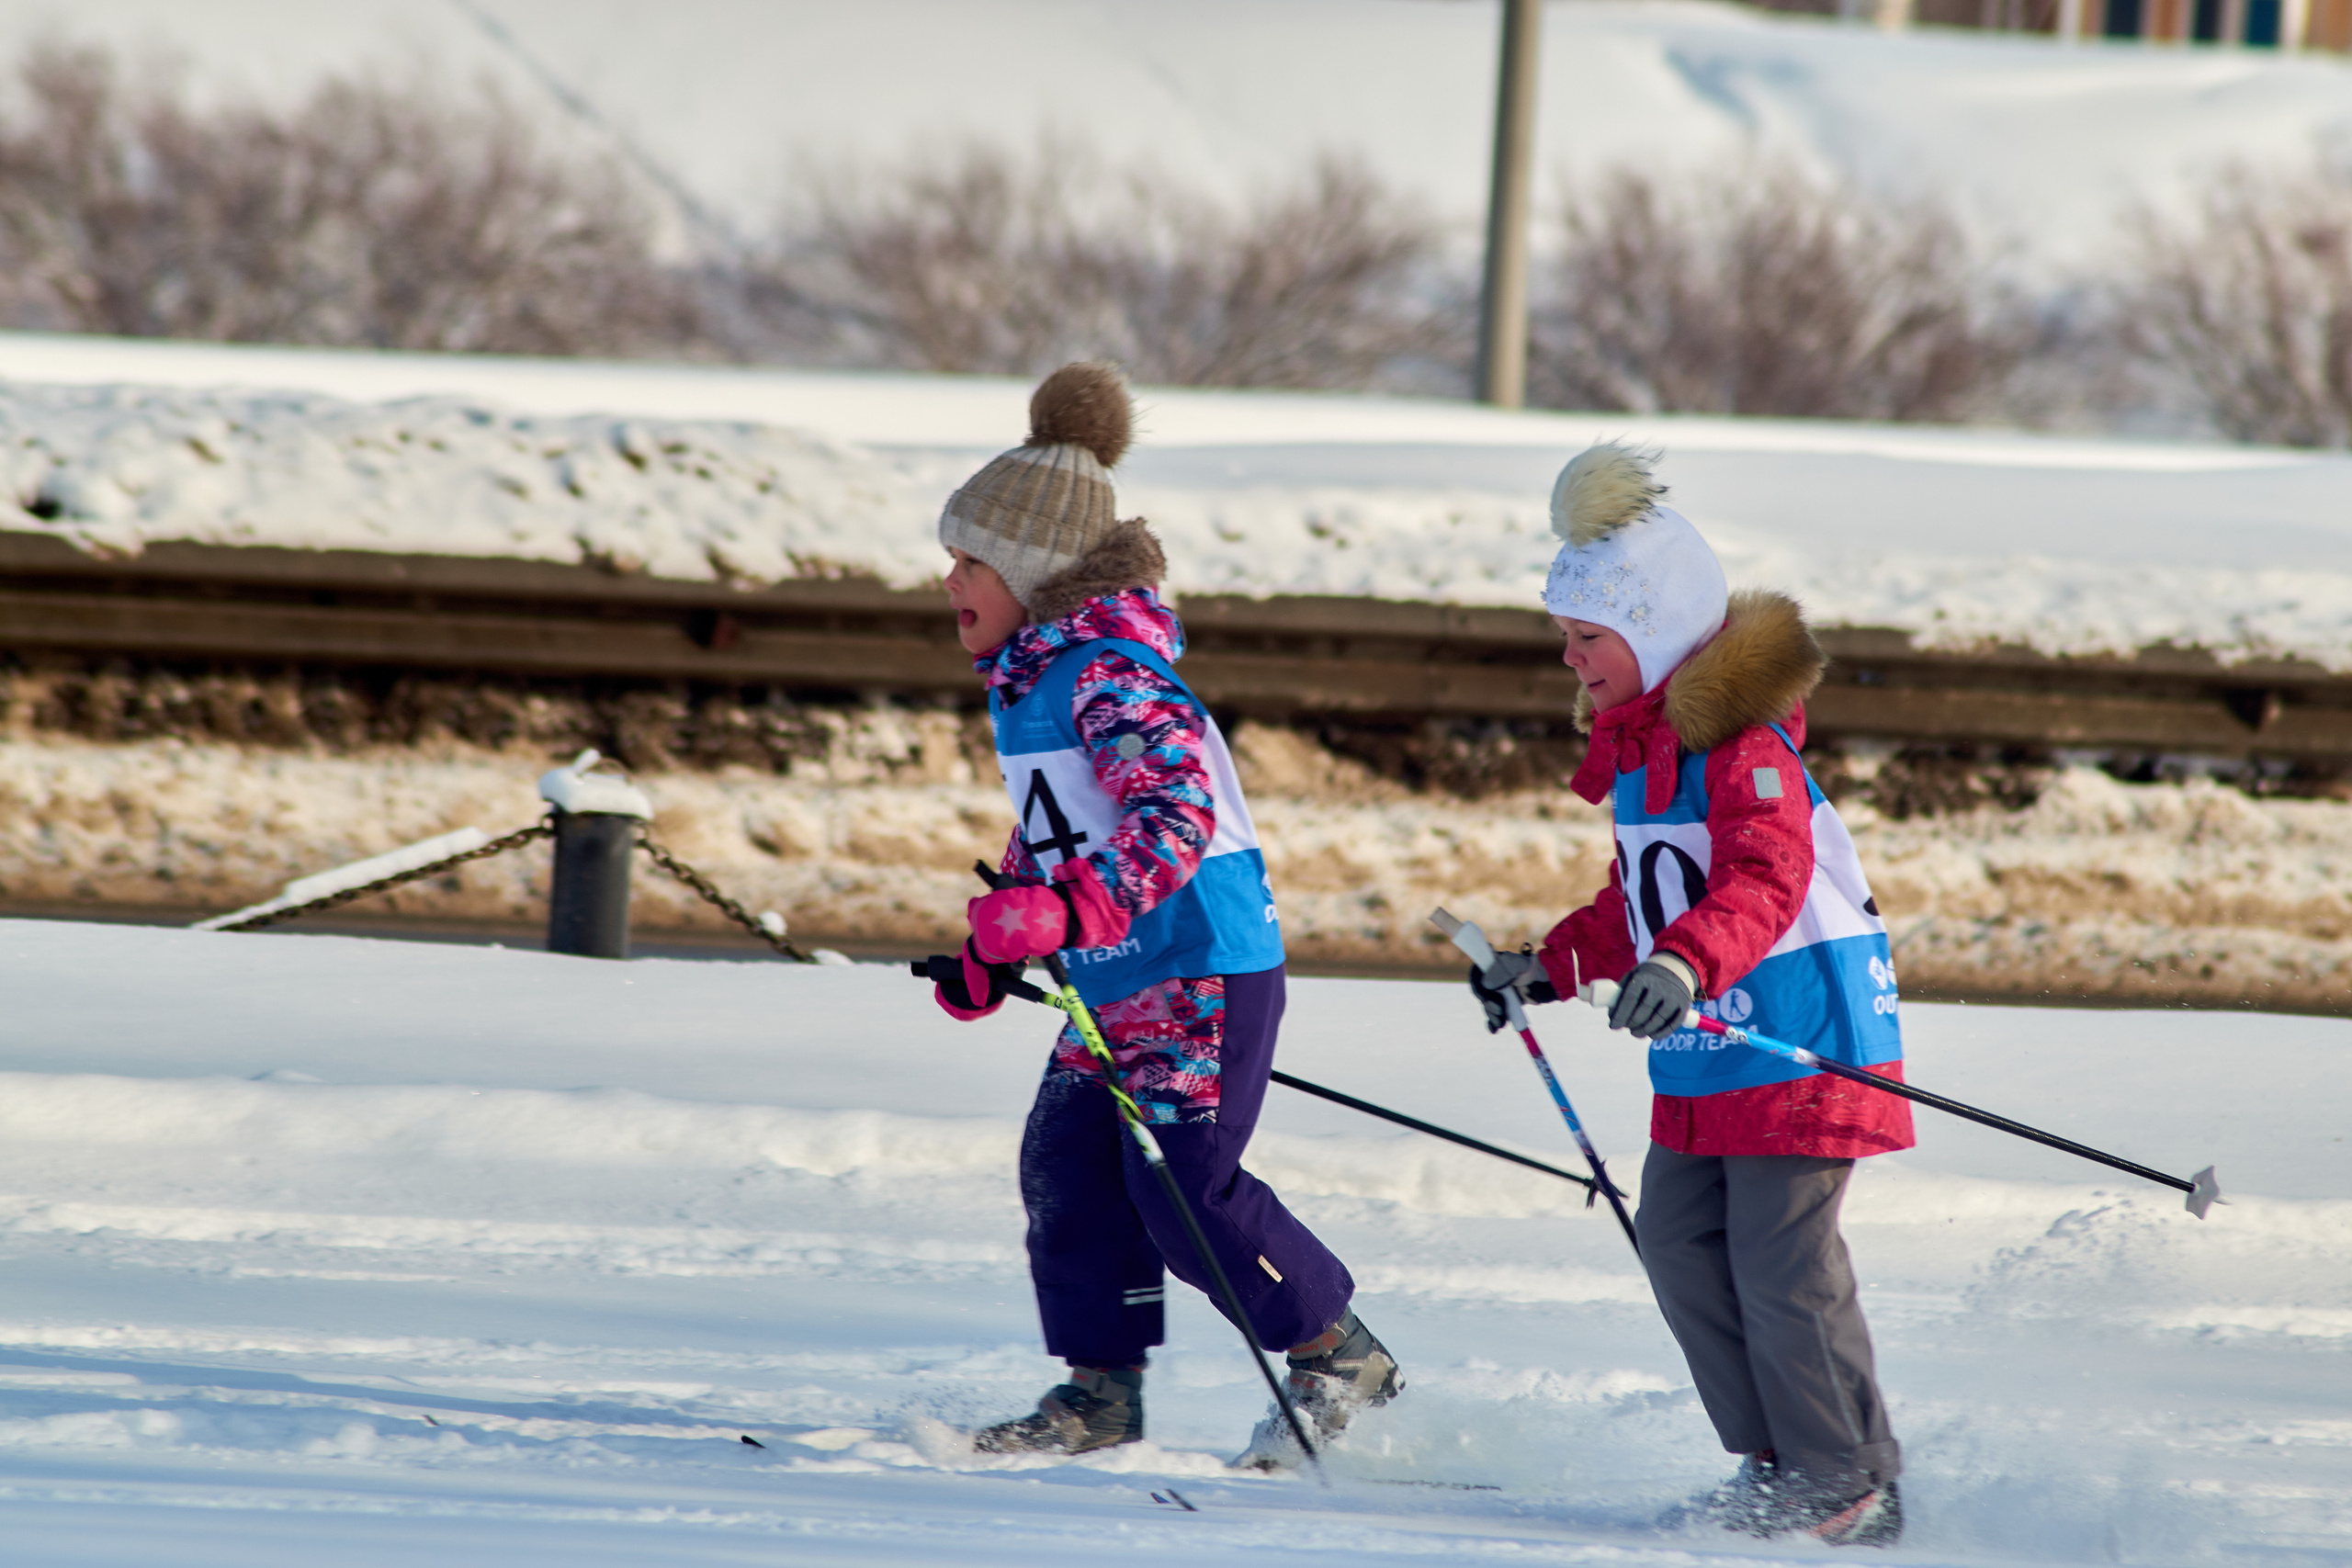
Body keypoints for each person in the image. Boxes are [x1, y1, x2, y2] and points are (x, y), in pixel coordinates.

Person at [925, 361, 1400, 1468]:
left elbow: (1170, 817)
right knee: (1068, 1169)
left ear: (1034, 568)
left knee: (1182, 1191)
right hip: (1116, 975)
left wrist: (1064, 909)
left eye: (969, 559)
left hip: (1196, 965)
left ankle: (1338, 1352)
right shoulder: (1033, 676)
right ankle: (1099, 1394)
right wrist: (993, 946)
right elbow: (1059, 827)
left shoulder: (1108, 672)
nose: (948, 579)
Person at [1471, 444, 1910, 1549]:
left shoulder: (1742, 751)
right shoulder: (1643, 759)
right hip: (1712, 1043)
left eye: (1587, 639)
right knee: (1672, 1236)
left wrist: (1680, 966)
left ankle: (1847, 1476)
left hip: (1801, 1032)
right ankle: (1775, 1464)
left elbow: (1765, 878)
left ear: (1657, 635)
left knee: (1780, 1260)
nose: (1570, 663)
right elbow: (1639, 898)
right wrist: (1550, 963)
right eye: (1564, 640)